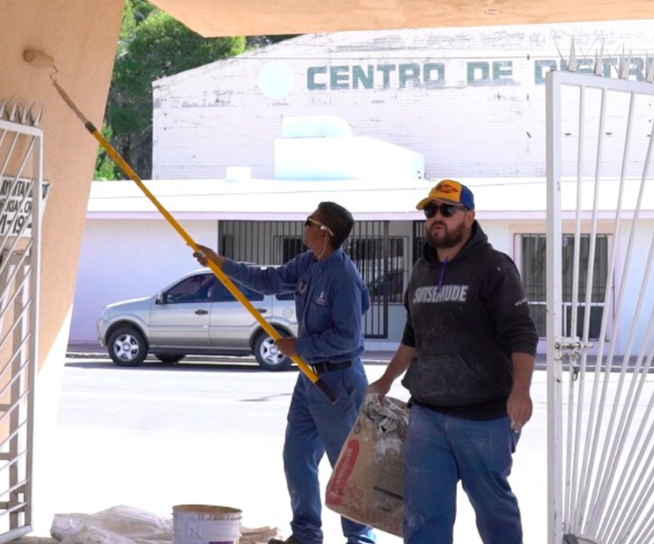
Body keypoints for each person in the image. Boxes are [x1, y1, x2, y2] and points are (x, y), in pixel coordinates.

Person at [368, 180, 538, 544]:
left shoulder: (494, 267)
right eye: (431, 211)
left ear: (470, 216)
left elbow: (521, 332)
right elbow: (413, 337)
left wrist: (521, 391)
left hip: (485, 417)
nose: (437, 217)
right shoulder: (420, 271)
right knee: (423, 514)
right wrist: (385, 380)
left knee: (493, 511)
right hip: (427, 415)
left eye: (448, 210)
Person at [194, 202, 375, 544]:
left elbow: (349, 338)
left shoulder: (343, 277)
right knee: (297, 455)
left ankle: (360, 539)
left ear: (325, 233)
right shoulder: (308, 263)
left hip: (338, 383)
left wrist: (300, 345)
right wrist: (221, 263)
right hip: (309, 379)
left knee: (346, 469)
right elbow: (269, 280)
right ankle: (306, 535)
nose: (304, 226)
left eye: (309, 222)